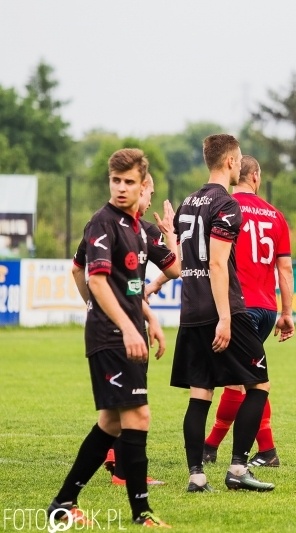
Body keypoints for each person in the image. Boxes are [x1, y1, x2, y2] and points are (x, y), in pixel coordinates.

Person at [48, 149, 179, 528]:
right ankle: (141, 513)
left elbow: (167, 271)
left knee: (111, 422)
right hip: (112, 336)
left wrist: (148, 318)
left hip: (127, 330)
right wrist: (123, 325)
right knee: (138, 415)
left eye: (129, 182)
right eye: (116, 181)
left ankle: (63, 503)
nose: (121, 188)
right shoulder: (103, 223)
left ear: (143, 185)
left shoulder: (137, 228)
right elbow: (97, 280)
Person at [170, 134, 274, 493]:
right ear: (230, 161)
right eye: (239, 158)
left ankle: (196, 476)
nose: (240, 164)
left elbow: (181, 263)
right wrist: (226, 317)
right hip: (222, 308)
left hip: (191, 310)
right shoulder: (227, 205)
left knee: (200, 393)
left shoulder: (187, 202)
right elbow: (216, 263)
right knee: (259, 384)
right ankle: (238, 469)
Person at [72, 172, 177, 487]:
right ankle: (125, 474)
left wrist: (149, 317)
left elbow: (79, 270)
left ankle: (110, 466)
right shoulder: (133, 228)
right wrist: (171, 234)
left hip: (122, 324)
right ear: (140, 189)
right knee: (134, 408)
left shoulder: (111, 225)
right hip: (120, 331)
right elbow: (175, 267)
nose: (150, 201)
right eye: (150, 193)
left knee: (118, 410)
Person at [200, 155, 294, 469]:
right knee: (243, 380)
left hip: (238, 306)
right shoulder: (275, 215)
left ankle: (264, 451)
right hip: (267, 309)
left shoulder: (225, 207)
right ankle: (213, 446)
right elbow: (285, 269)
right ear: (255, 177)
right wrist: (287, 312)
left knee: (247, 381)